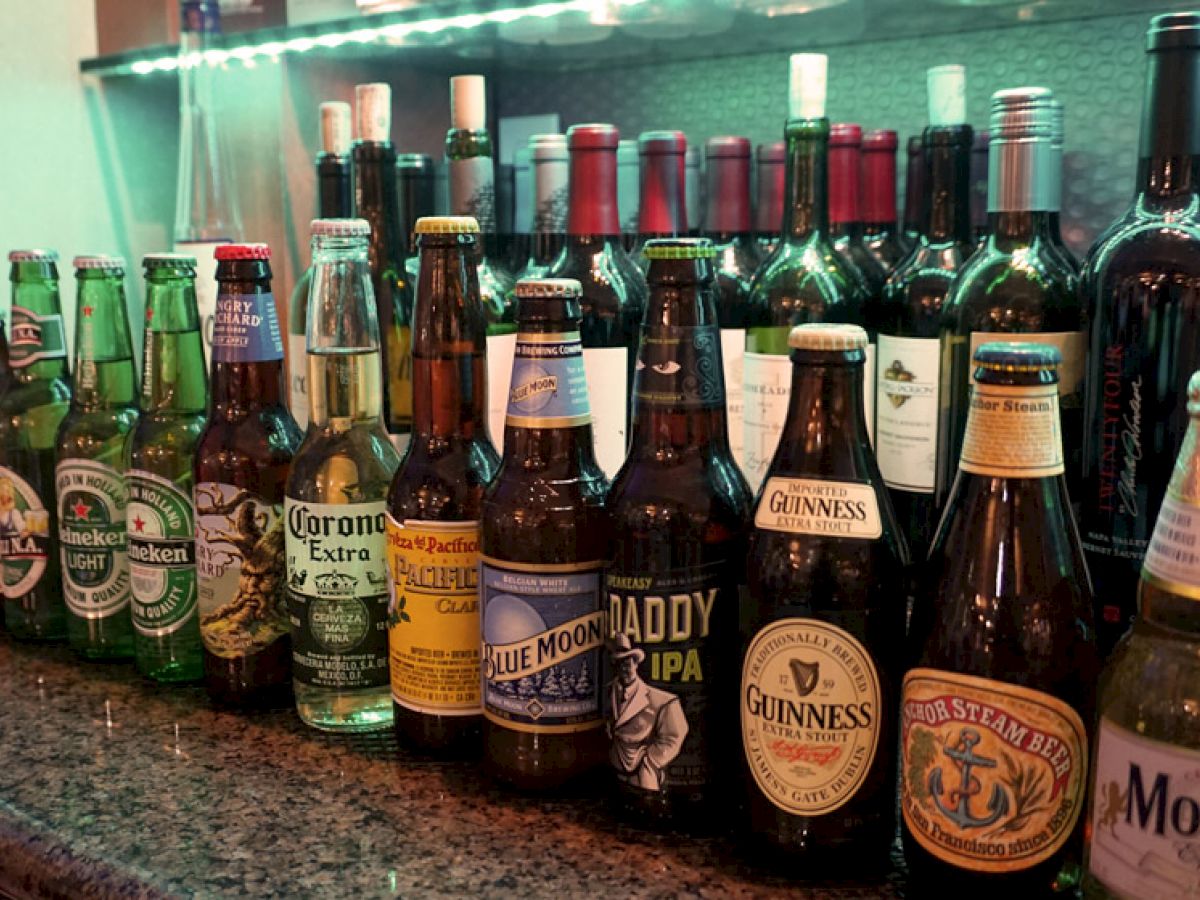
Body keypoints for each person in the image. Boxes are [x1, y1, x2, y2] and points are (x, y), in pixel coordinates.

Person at [606, 633, 689, 792]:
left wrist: (651, 760)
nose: (624, 667)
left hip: (644, 776)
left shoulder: (661, 700)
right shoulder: (608, 690)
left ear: (636, 663)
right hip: (615, 774)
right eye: (620, 662)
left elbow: (676, 734)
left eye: (628, 662)